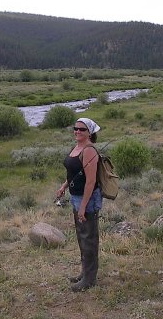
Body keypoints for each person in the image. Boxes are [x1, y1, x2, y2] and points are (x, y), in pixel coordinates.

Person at [57, 117, 102, 292]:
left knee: (89, 238)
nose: (77, 131)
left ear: (89, 132)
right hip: (76, 197)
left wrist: (83, 206)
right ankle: (85, 273)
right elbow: (73, 173)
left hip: (87, 199)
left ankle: (89, 279)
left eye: (82, 130)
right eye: (75, 128)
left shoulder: (89, 150)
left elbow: (90, 182)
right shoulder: (76, 147)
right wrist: (63, 186)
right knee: (82, 237)